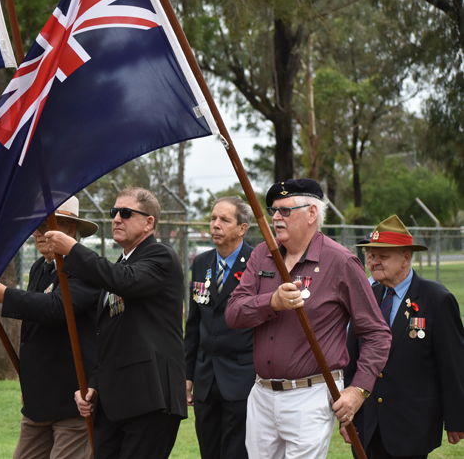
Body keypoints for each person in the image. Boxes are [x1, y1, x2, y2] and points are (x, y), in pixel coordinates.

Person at [225, 178, 392, 458]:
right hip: (261, 393)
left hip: (311, 395)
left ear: (312, 213)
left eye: (285, 210)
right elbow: (233, 313)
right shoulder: (262, 253)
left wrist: (358, 390)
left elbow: (377, 333)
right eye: (273, 210)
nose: (276, 217)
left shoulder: (340, 261)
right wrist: (272, 302)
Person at [44, 187, 186, 459]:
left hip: (150, 398)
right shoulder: (120, 264)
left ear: (149, 223)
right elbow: (111, 335)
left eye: (126, 213)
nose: (117, 218)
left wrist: (73, 249)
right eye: (114, 212)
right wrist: (95, 384)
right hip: (115, 401)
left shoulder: (160, 256)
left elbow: (126, 281)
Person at [0, 196, 101, 459]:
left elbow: (58, 308)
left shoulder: (84, 266)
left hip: (73, 399)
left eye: (46, 225)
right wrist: (30, 384)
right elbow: (34, 327)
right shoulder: (40, 267)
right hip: (39, 400)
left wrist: (5, 295)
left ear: (70, 229)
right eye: (35, 226)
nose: (37, 232)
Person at [344, 215, 464, 458]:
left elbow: (453, 364)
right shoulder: (367, 295)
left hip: (411, 425)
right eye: (371, 255)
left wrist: (457, 419)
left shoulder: (436, 299)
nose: (374, 262)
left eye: (383, 256)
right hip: (368, 423)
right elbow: (352, 359)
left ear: (406, 258)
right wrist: (348, 416)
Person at [184, 196, 255, 459]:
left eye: (224, 220)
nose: (215, 225)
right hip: (205, 379)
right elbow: (194, 324)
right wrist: (188, 375)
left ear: (242, 228)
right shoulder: (201, 263)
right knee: (209, 451)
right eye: (213, 218)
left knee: (236, 453)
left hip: (242, 378)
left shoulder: (257, 262)